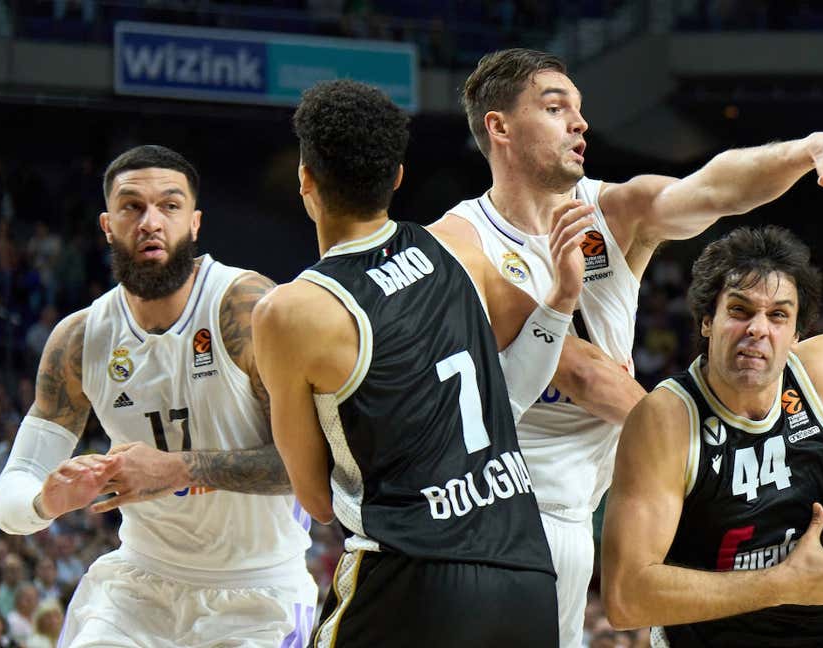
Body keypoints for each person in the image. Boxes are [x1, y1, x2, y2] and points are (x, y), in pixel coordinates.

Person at [434, 47, 823, 648]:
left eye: (579, 110)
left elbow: (712, 190)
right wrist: (708, 451)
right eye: (556, 109)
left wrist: (804, 150)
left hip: (575, 516)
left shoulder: (613, 211)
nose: (580, 123)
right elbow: (583, 374)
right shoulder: (459, 241)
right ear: (498, 127)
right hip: (494, 508)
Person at [254, 80, 593, 647]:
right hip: (525, 577)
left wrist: (406, 493)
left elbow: (313, 499)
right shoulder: (459, 251)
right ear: (398, 176)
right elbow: (508, 399)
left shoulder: (291, 311)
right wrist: (558, 304)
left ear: (305, 181)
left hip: (413, 579)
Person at [0, 145, 316, 647]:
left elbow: (310, 468)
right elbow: (9, 501)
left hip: (255, 590)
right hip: (139, 586)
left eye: (169, 205)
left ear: (195, 222)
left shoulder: (247, 309)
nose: (150, 222)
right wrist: (44, 501)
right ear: (106, 224)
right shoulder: (80, 339)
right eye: (132, 206)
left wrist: (179, 468)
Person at [601, 226, 823, 647]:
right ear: (706, 320)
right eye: (739, 310)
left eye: (777, 316)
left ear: (795, 335)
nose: (758, 329)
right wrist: (784, 584)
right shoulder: (668, 419)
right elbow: (626, 597)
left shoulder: (816, 377)